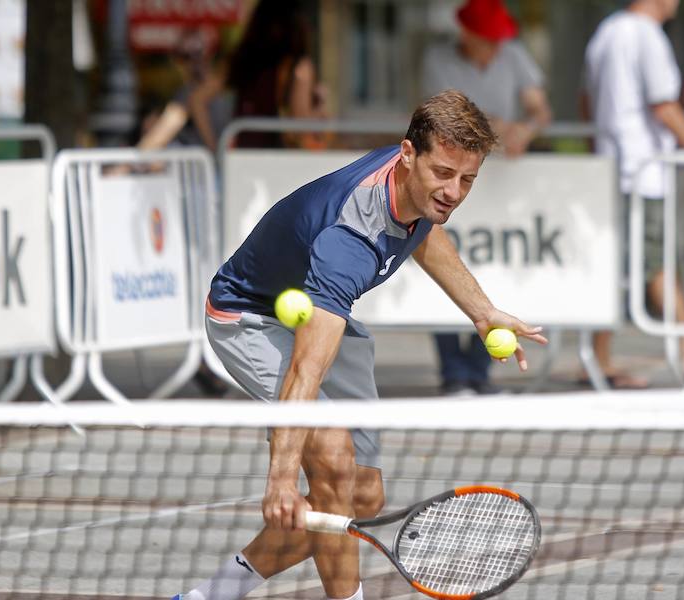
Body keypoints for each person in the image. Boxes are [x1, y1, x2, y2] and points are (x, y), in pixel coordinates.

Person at [172, 90, 548, 600]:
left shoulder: (417, 187)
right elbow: (305, 371)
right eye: (443, 173)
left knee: (362, 497)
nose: (454, 192)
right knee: (331, 460)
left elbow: (425, 231)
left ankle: (208, 596)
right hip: (249, 317)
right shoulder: (348, 240)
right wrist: (281, 480)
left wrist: (481, 312)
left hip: (318, 308)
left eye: (467, 180)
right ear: (407, 154)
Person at [580, 0, 684, 386]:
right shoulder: (646, 36)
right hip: (644, 171)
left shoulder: (605, 33)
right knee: (652, 264)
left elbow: (586, 101)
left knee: (624, 266)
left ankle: (601, 358)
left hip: (614, 168)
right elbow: (665, 107)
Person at [421, 0, 551, 396]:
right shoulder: (437, 60)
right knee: (442, 268)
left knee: (492, 274)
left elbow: (539, 109)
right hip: (450, 180)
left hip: (501, 188)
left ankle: (478, 371)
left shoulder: (513, 55)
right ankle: (453, 372)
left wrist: (525, 130)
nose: (496, 47)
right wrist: (497, 126)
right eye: (487, 40)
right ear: (468, 34)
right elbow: (441, 118)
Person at [189, 0, 329, 151]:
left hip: (245, 155)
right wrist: (319, 106)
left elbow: (197, 99)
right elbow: (301, 124)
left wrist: (214, 147)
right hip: (282, 159)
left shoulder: (243, 60)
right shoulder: (298, 66)